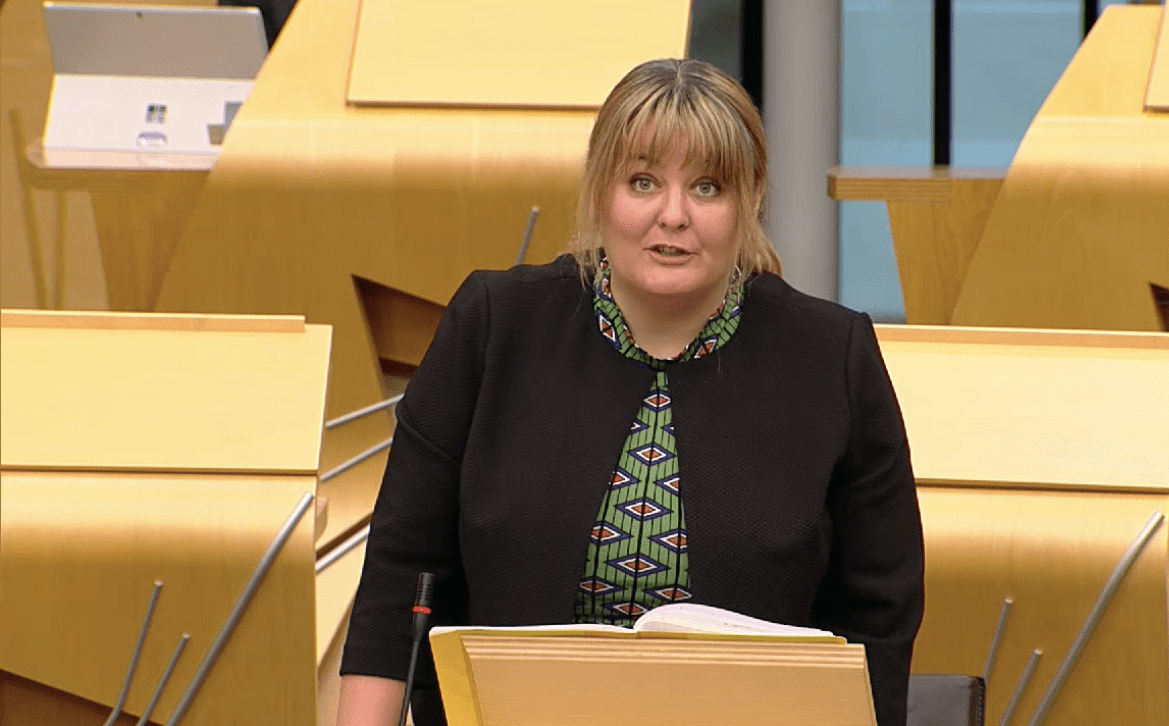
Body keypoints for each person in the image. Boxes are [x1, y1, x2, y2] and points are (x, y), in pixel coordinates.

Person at [337, 58, 924, 726]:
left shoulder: (833, 357)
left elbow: (880, 618)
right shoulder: (492, 325)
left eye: (707, 187)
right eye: (643, 181)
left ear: (751, 200)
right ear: (600, 191)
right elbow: (398, 576)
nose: (672, 215)